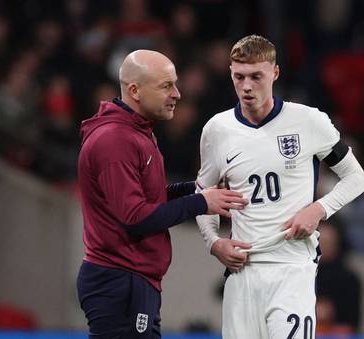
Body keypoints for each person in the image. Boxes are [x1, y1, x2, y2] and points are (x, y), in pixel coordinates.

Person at [195, 35, 364, 339]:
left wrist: (319, 208)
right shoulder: (217, 130)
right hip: (241, 272)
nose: (247, 86)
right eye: (239, 77)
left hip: (291, 267)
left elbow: (356, 177)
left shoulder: (308, 121)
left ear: (275, 73)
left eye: (256, 76)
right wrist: (213, 242)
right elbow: (203, 196)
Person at [76, 49, 247, 339]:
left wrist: (195, 189)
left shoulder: (135, 132)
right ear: (135, 90)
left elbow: (147, 199)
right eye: (166, 85)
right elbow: (135, 218)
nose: (177, 94)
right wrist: (200, 202)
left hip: (130, 280)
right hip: (120, 280)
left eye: (175, 83)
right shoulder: (116, 140)